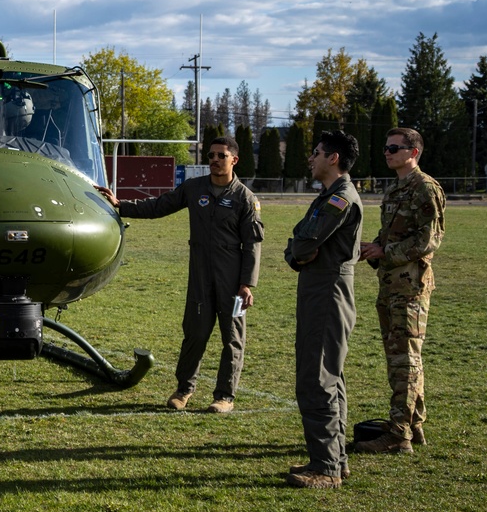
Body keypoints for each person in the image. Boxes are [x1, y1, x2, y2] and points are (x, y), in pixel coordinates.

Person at [96, 136, 264, 413]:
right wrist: (121, 204)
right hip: (199, 277)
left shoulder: (245, 198)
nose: (214, 160)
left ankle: (225, 397)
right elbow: (160, 206)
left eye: (221, 155)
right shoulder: (193, 188)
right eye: (211, 155)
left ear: (234, 159)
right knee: (194, 334)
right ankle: (184, 389)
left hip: (233, 282)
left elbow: (253, 245)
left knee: (232, 338)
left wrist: (247, 284)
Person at [357, 127, 445, 454]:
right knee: (401, 356)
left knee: (404, 359)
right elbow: (390, 233)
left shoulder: (425, 188)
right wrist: (374, 246)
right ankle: (414, 423)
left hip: (410, 287)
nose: (387, 152)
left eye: (394, 148)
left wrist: (387, 253)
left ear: (414, 152)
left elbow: (429, 240)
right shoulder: (395, 189)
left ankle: (398, 434)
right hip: (390, 285)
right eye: (385, 147)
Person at [284, 130, 363, 488]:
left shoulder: (340, 199)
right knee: (330, 376)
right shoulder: (328, 196)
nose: (311, 158)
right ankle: (336, 459)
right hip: (320, 288)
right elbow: (299, 238)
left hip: (328, 291)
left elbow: (305, 243)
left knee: (317, 379)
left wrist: (298, 251)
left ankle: (326, 468)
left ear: (333, 158)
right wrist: (297, 250)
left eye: (316, 153)